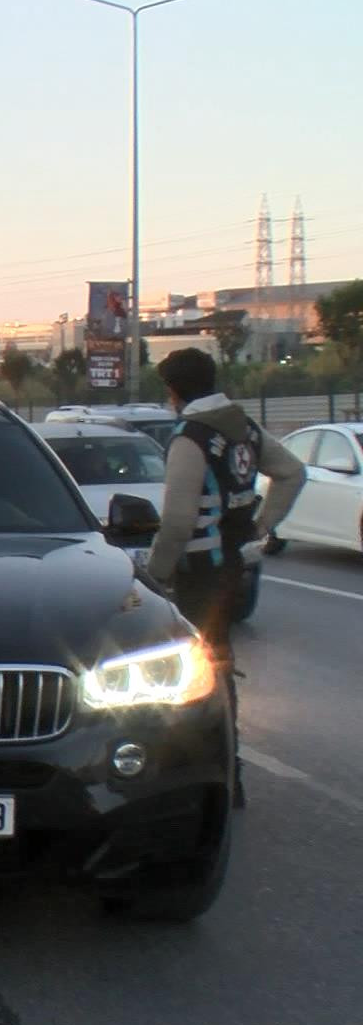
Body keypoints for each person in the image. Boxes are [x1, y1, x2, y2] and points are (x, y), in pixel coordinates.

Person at [146, 347, 304, 810]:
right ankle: (226, 771)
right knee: (217, 664)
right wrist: (259, 526)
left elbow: (177, 523)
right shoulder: (242, 428)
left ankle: (199, 774)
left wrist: (153, 577)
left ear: (174, 390)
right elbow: (293, 473)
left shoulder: (190, 436)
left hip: (196, 572)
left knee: (185, 674)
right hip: (231, 567)